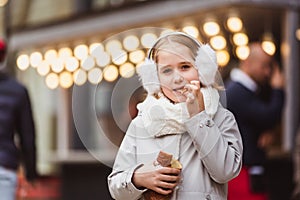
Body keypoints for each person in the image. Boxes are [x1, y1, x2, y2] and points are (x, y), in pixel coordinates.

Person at [107, 31, 243, 200]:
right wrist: (138, 178)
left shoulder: (221, 118)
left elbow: (226, 171)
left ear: (203, 70)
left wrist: (198, 116)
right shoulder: (142, 123)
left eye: (185, 67)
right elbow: (115, 186)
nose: (177, 78)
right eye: (166, 71)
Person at [225, 42, 285, 199]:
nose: (267, 73)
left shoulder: (243, 90)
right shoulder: (237, 91)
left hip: (247, 170)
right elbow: (267, 116)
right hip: (241, 172)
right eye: (264, 66)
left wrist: (269, 132)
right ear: (247, 63)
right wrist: (278, 90)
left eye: (269, 68)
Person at [0, 38, 38, 200]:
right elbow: (27, 136)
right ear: (4, 57)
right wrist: (30, 173)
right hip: (4, 169)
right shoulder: (18, 91)